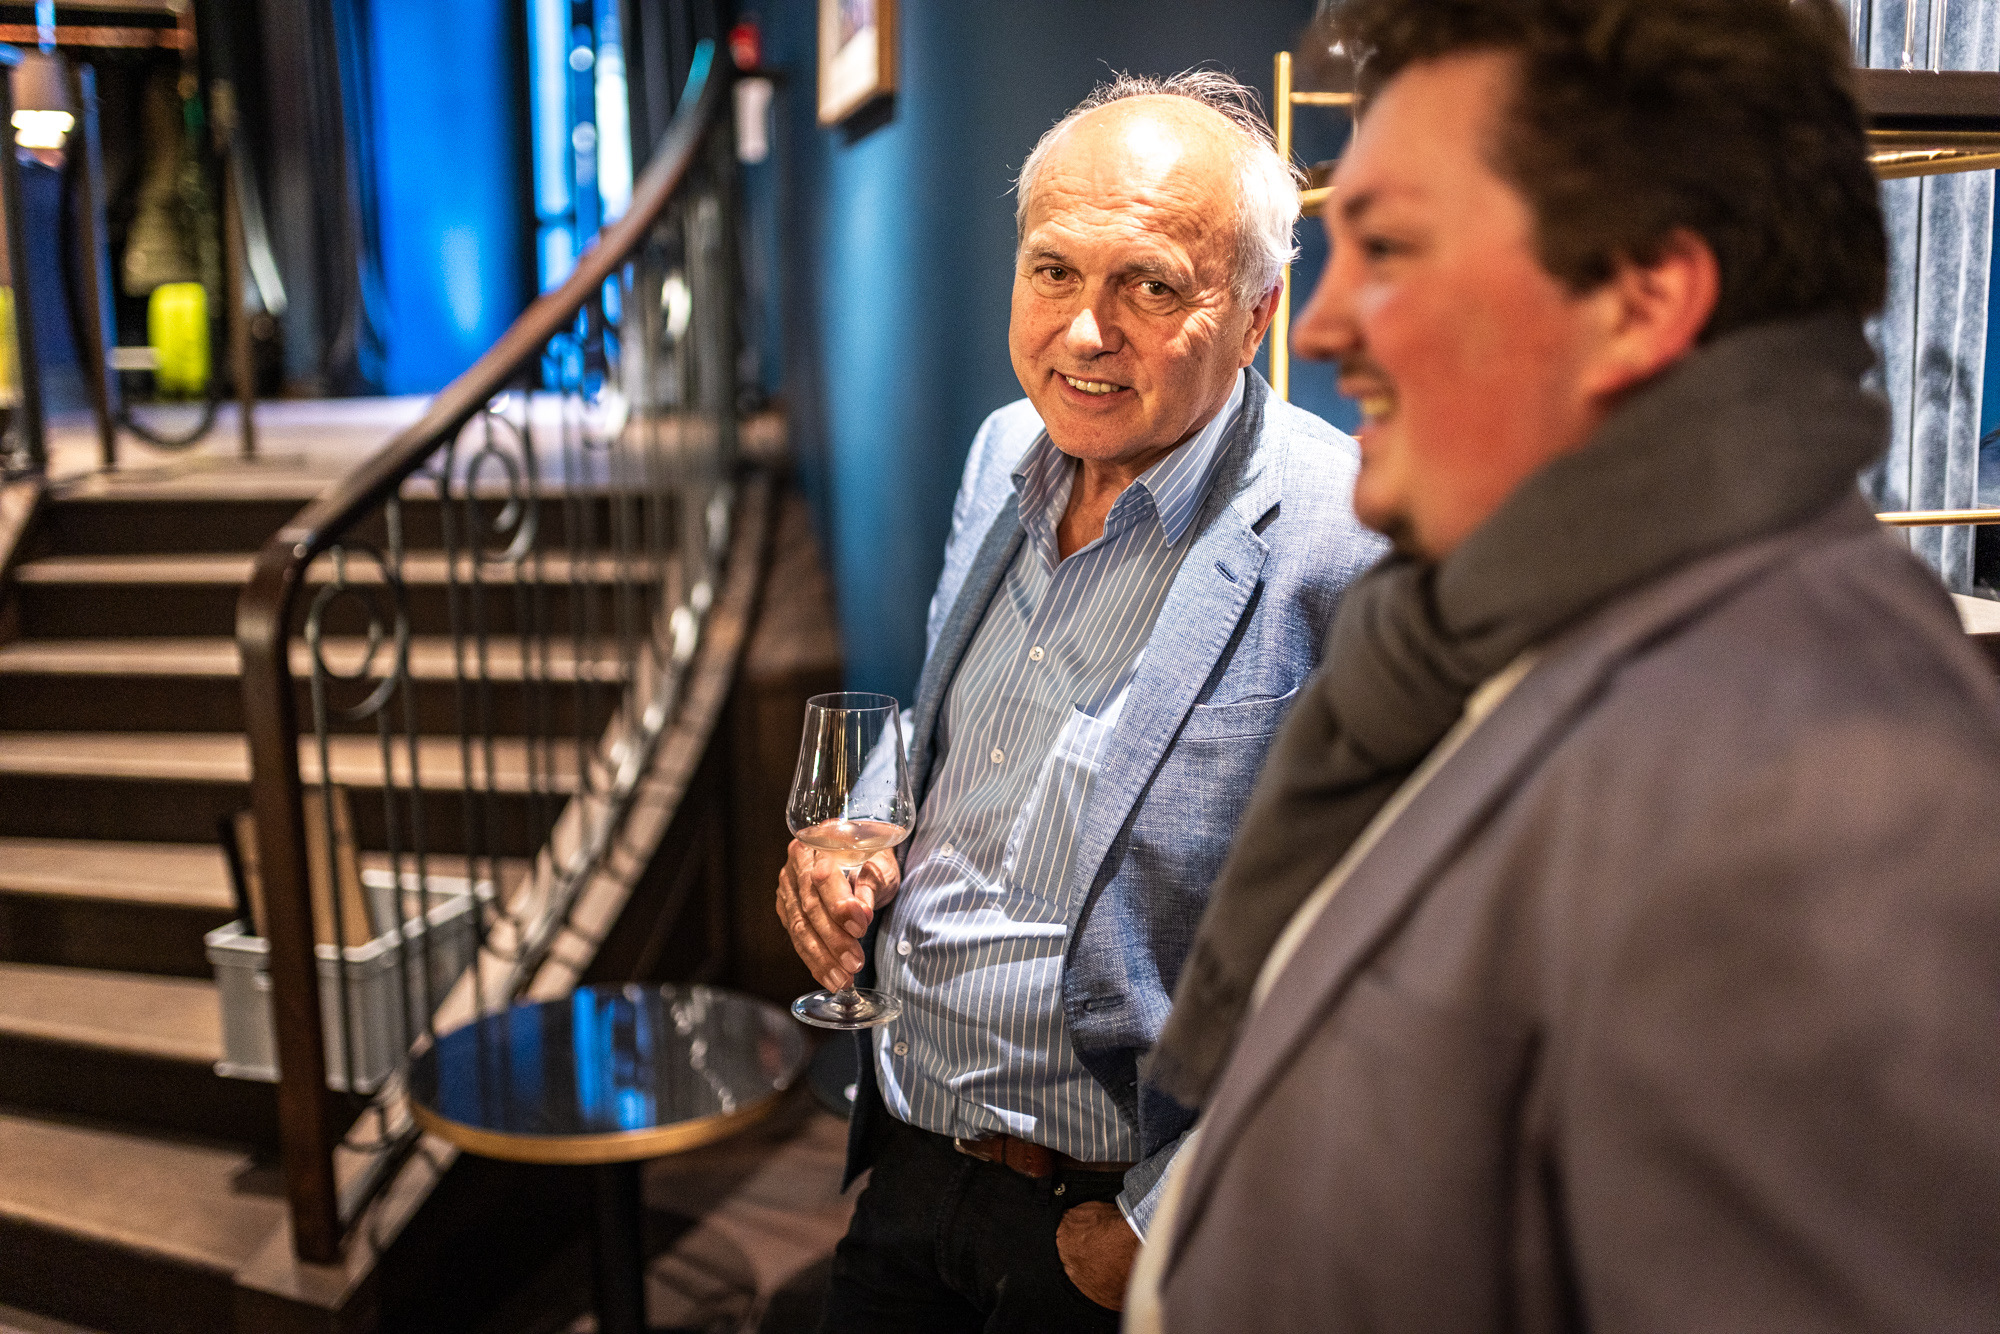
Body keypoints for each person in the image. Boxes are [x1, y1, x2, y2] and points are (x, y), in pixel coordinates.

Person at [1131, 0, 2000, 1328]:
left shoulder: (1812, 805)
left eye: (1391, 248)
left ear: (1641, 299)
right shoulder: (1478, 636)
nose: (1320, 324)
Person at [774, 72, 1383, 1331]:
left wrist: (1152, 1225)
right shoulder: (1003, 450)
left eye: (1150, 285)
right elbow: (960, 741)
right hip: (909, 1151)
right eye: (1052, 270)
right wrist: (856, 842)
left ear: (1256, 312)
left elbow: (1389, 954)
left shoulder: (1349, 537)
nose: (1085, 332)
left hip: (1096, 1230)